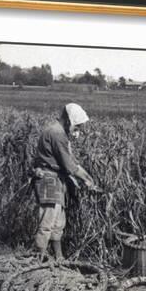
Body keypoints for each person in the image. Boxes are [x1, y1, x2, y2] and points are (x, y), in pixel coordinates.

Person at [31, 103, 97, 261]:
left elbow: (71, 161)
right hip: (49, 179)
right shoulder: (57, 133)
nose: (78, 131)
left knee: (58, 222)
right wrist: (87, 180)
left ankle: (59, 258)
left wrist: (88, 177)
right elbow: (69, 166)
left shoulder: (59, 132)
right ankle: (37, 260)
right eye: (77, 127)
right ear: (69, 121)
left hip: (56, 179)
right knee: (47, 221)